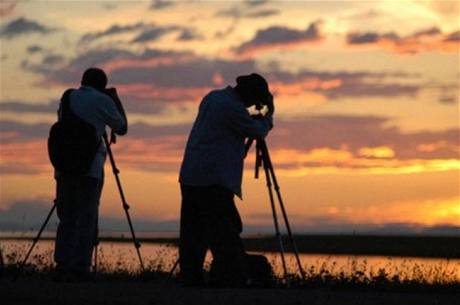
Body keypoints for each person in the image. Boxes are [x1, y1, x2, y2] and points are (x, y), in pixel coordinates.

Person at [178, 73, 274, 287]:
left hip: (192, 174)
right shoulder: (231, 108)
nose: (253, 105)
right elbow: (258, 131)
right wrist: (268, 115)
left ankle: (190, 278)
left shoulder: (214, 98)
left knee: (194, 230)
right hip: (214, 178)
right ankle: (231, 275)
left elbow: (239, 122)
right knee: (224, 229)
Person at [53, 67, 127, 281]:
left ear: (83, 80)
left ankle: (62, 265)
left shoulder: (67, 97)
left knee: (67, 216)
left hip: (64, 167)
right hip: (89, 168)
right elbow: (122, 127)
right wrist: (115, 99)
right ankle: (80, 268)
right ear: (103, 86)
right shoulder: (103, 100)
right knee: (86, 216)